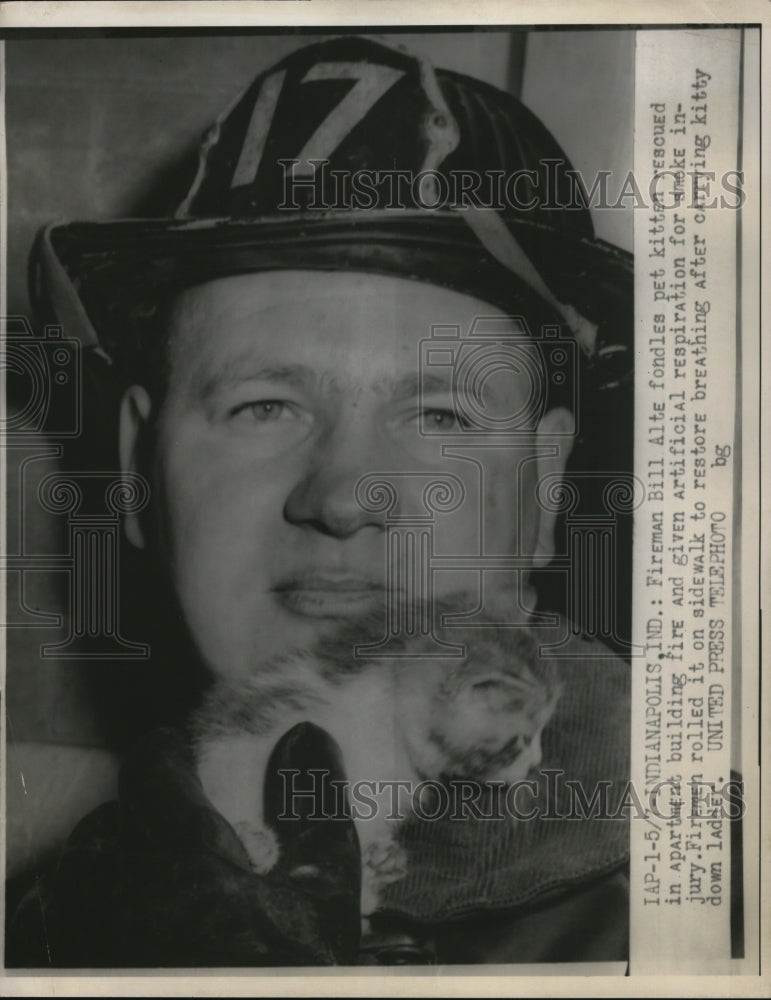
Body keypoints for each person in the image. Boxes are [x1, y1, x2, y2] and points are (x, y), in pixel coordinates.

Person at [7, 34, 635, 966]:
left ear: (544, 490)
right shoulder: (50, 923)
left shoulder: (707, 919)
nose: (342, 497)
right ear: (139, 473)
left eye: (437, 415)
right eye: (264, 405)